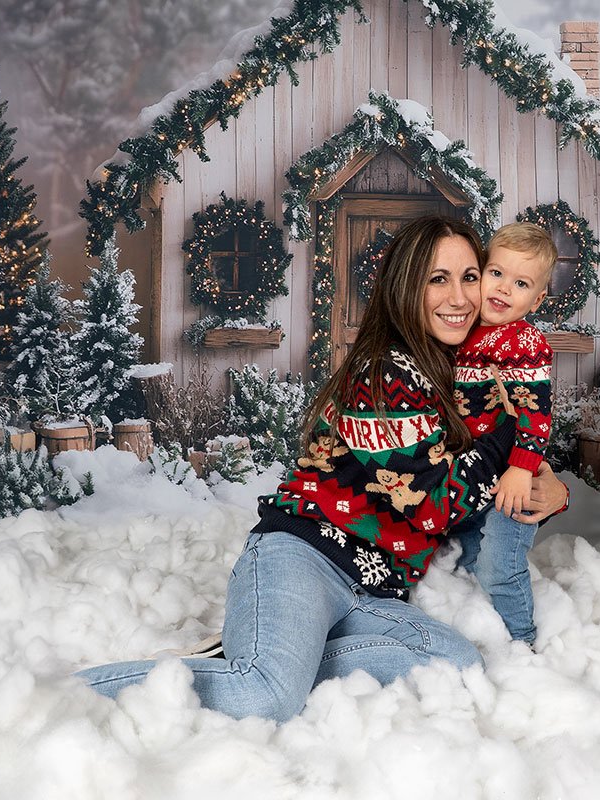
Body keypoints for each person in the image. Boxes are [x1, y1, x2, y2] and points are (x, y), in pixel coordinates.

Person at [75, 216, 569, 723]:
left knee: (456, 663)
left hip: (375, 587)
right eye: (437, 278)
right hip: (305, 554)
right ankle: (76, 692)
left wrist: (550, 489)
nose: (461, 297)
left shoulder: (462, 367)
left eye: (469, 276)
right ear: (405, 286)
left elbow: (497, 479)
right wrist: (511, 434)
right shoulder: (383, 373)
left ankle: (284, 651)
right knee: (265, 695)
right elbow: (434, 503)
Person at [450, 222, 556, 645]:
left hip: (512, 477)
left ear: (537, 298)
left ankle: (522, 641)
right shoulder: (464, 332)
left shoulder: (523, 342)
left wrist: (521, 468)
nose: (503, 289)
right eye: (496, 274)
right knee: (472, 556)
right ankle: (483, 629)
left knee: (498, 562)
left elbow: (535, 413)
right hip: (475, 472)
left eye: (521, 283)